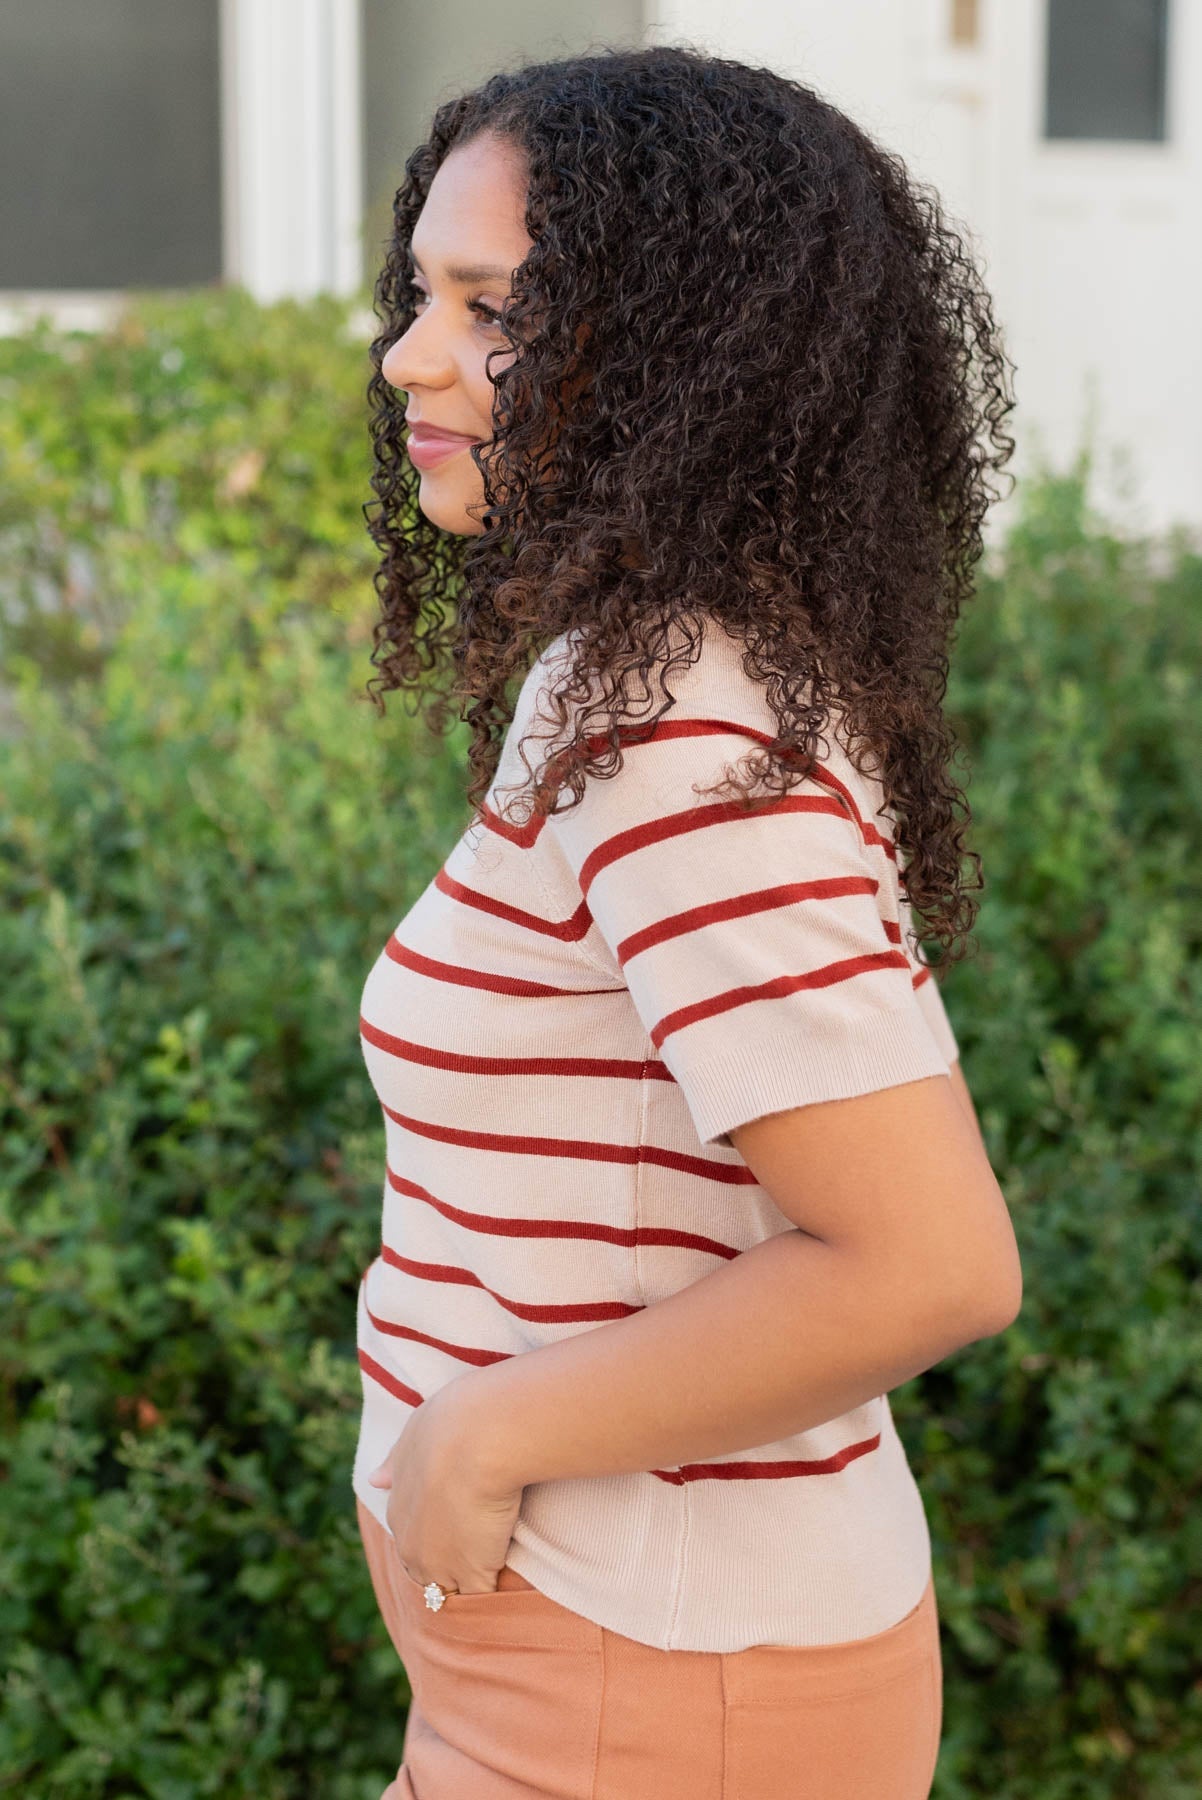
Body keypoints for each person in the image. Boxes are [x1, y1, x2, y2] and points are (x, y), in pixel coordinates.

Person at [352, 41, 1020, 1800]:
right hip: (592, 1660)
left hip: (652, 1683)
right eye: (422, 294)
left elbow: (927, 1260)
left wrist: (480, 1438)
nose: (412, 357)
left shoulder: (676, 729)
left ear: (671, 349)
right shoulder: (635, 674)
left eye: (486, 308)